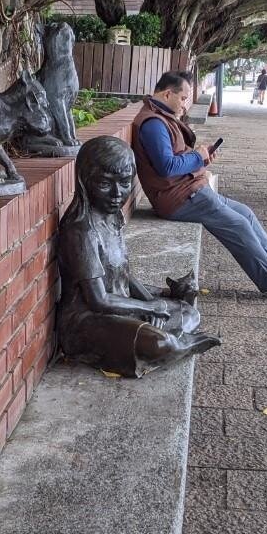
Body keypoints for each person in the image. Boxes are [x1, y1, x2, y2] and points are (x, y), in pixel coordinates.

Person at [130, 71, 267, 298]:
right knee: (238, 224)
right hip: (178, 197)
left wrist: (200, 159)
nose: (185, 105)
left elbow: (172, 160)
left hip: (189, 189)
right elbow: (166, 166)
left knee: (245, 213)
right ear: (166, 94)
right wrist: (197, 157)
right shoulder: (153, 123)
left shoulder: (160, 116)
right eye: (183, 98)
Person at [57, 136, 220, 378]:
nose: (116, 193)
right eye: (104, 184)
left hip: (120, 306)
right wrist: (148, 307)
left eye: (124, 183)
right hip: (87, 320)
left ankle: (164, 338)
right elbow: (99, 300)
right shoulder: (81, 230)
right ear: (84, 180)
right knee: (160, 344)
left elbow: (124, 275)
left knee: (189, 313)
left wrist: (155, 306)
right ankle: (176, 344)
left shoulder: (111, 217)